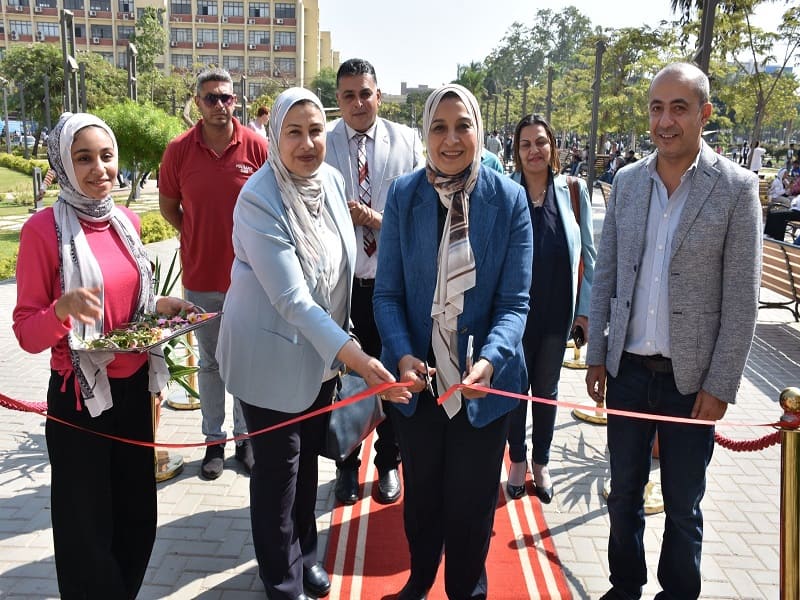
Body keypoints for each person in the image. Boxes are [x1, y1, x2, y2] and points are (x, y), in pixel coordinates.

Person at [216, 87, 406, 600]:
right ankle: (281, 579)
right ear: (274, 136)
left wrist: (346, 350)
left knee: (304, 473)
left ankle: (305, 555)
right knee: (279, 473)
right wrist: (359, 357)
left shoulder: (332, 181)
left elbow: (341, 273)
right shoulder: (258, 197)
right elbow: (292, 300)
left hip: (320, 361)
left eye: (315, 131)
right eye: (293, 132)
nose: (306, 143)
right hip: (269, 356)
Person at [585, 62, 761, 600]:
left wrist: (721, 385)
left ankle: (679, 590)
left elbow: (742, 301)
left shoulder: (736, 189)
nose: (665, 121)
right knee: (625, 494)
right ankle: (624, 584)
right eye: (657, 107)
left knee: (684, 503)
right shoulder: (628, 182)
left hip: (693, 381)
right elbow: (606, 275)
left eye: (679, 107)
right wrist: (597, 355)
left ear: (704, 114)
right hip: (629, 372)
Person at [12, 112, 195, 598]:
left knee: (138, 515)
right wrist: (62, 309)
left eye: (106, 156)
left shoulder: (127, 220)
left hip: (135, 391)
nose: (99, 169)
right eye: (83, 158)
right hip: (80, 400)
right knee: (85, 529)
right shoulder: (41, 232)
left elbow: (128, 305)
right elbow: (27, 332)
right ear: (63, 165)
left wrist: (162, 307)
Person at [373, 83, 533, 599]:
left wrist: (490, 359)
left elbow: (515, 304)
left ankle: (467, 589)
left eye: (462, 125)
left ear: (479, 130)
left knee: (470, 505)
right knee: (422, 500)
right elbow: (389, 294)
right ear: (425, 134)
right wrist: (400, 352)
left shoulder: (507, 199)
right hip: (419, 390)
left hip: (483, 390)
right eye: (439, 127)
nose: (451, 138)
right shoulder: (403, 196)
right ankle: (420, 580)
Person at [324, 57, 424, 505]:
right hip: (344, 290)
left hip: (394, 288)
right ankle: (346, 463)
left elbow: (421, 212)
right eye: (348, 95)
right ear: (339, 100)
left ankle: (388, 463)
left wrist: (375, 219)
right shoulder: (321, 144)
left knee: (395, 380)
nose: (358, 103)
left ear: (378, 95)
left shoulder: (406, 142)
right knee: (347, 382)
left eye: (366, 93)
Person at [159, 67, 268, 479]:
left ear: (235, 101)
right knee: (210, 363)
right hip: (201, 277)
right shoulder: (179, 151)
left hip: (249, 277)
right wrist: (195, 233)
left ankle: (244, 439)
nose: (219, 105)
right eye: (210, 98)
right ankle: (213, 442)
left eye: (226, 97)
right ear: (197, 103)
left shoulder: (256, 146)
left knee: (243, 360)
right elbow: (170, 206)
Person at [504, 114, 596, 503]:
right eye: (525, 144)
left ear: (552, 147)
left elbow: (589, 256)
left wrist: (586, 311)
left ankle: (540, 462)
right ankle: (517, 461)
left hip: (558, 313)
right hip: (514, 315)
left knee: (545, 390)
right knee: (514, 391)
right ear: (517, 151)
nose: (534, 150)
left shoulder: (573, 191)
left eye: (540, 142)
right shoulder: (506, 192)